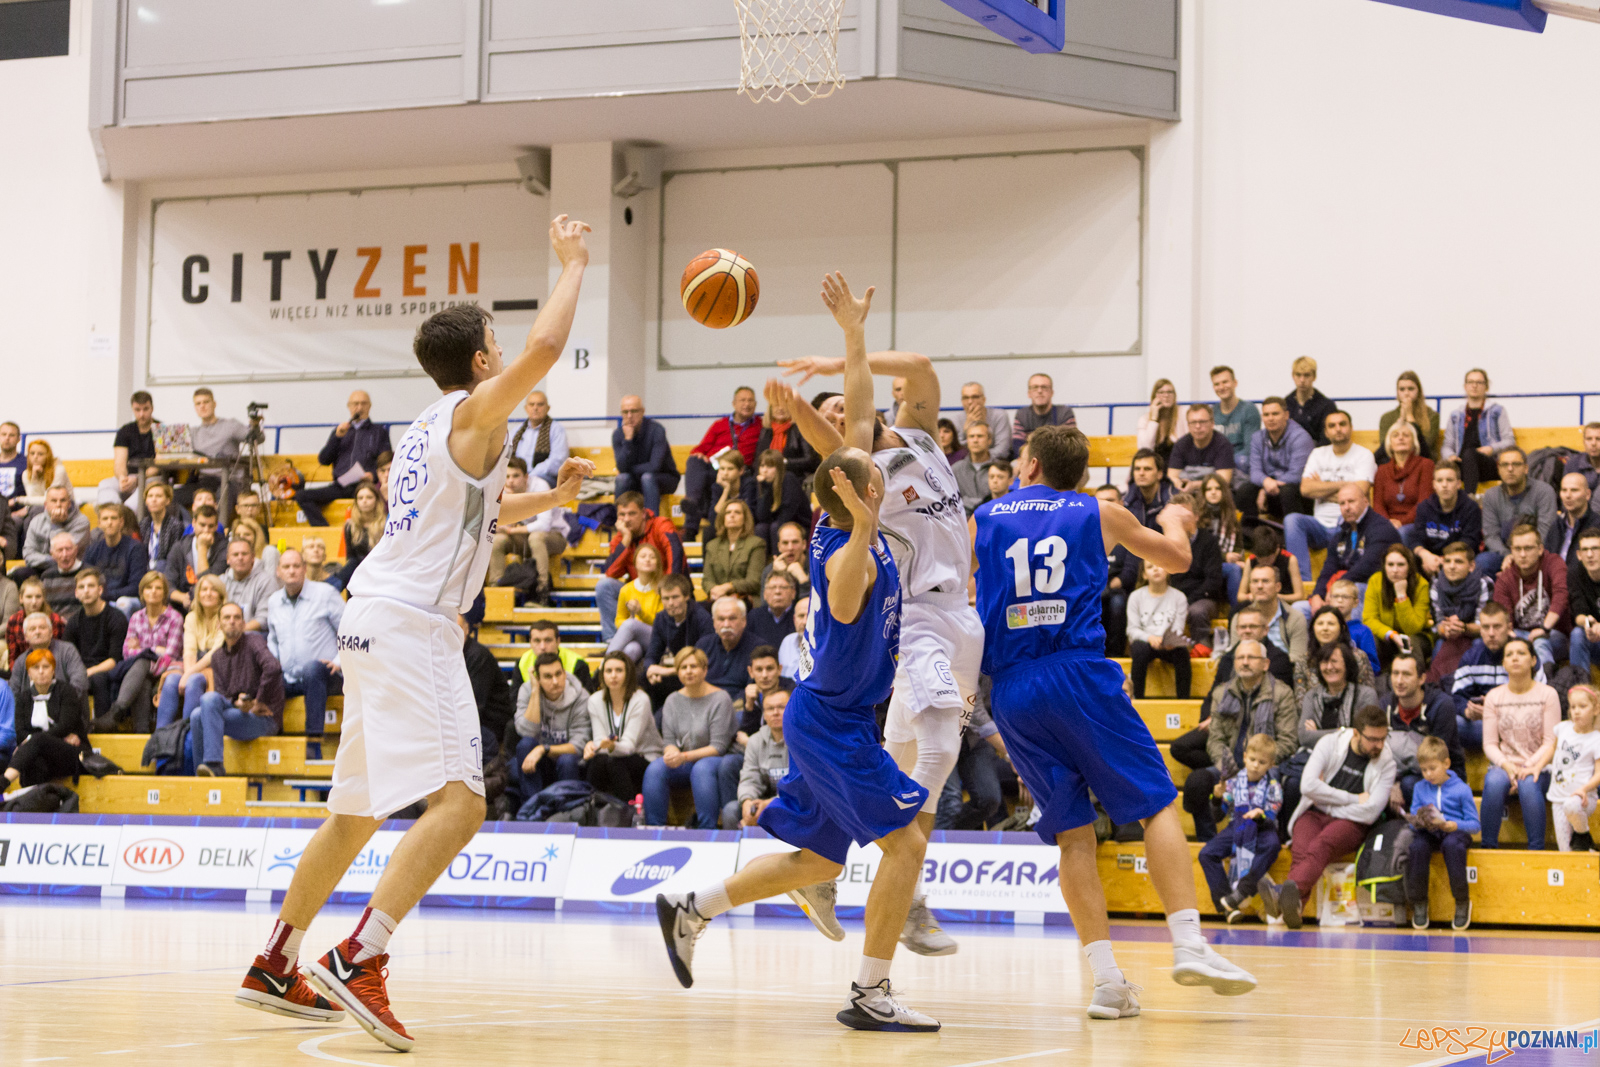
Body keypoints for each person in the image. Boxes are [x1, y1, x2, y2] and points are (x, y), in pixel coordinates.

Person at [238, 215, 594, 1050]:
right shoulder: (475, 410)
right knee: (462, 803)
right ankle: (360, 954)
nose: (506, 351)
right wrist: (575, 263)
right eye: (496, 342)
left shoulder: (432, 425)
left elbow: (479, 510)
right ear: (481, 362)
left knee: (355, 812)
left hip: (370, 618)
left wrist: (551, 499)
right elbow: (547, 348)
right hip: (410, 625)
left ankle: (277, 959)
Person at [654, 424, 941, 1035]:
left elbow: (852, 437)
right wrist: (863, 525)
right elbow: (843, 604)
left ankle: (691, 909)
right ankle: (871, 992)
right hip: (834, 723)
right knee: (908, 845)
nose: (885, 470)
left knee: (818, 861)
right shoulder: (847, 549)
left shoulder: (840, 523)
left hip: (829, 716)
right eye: (876, 472)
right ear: (865, 492)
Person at [971, 422, 1256, 1016]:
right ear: (1079, 475)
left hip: (1013, 688)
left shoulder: (986, 517)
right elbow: (1178, 558)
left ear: (1029, 465)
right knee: (1156, 803)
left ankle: (1106, 982)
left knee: (1072, 835)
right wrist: (1175, 518)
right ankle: (1189, 943)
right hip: (1076, 672)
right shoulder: (1096, 511)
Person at [773, 274, 987, 959]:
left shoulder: (920, 435)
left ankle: (823, 857)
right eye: (832, 413)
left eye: (848, 398)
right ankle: (909, 886)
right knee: (939, 748)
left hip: (962, 616)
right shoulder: (859, 471)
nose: (842, 410)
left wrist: (844, 350)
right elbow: (837, 435)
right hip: (916, 615)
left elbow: (919, 367)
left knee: (900, 754)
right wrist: (834, 374)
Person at [1260, 704, 1394, 930]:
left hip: (1352, 822)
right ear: (1356, 733)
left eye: (1382, 738)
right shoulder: (1330, 743)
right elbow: (1307, 786)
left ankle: (1281, 896)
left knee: (1321, 845)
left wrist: (1327, 802)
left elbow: (1371, 811)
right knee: (1301, 850)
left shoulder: (1387, 762)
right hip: (1315, 813)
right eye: (1372, 739)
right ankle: (1294, 909)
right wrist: (1352, 799)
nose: (1379, 745)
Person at [644, 646, 738, 828]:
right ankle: (654, 829)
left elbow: (718, 747)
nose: (688, 671)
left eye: (693, 666)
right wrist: (672, 753)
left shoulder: (721, 698)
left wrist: (683, 756)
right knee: (655, 769)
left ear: (705, 670)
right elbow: (669, 741)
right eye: (683, 667)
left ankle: (707, 830)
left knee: (701, 769)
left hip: (716, 759)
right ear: (677, 672)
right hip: (684, 760)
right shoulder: (672, 700)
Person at [1479, 637, 1559, 851]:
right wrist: (1507, 766)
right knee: (1493, 781)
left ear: (1533, 660)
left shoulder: (1548, 694)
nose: (1515, 658)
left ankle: (1536, 851)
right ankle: (1488, 849)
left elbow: (1551, 741)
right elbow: (1489, 744)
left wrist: (1527, 767)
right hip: (1505, 765)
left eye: (1521, 653)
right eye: (1509, 654)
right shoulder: (1494, 697)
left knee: (1528, 783)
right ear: (1503, 663)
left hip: (1540, 765)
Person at [1285, 410, 1377, 592]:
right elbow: (1305, 489)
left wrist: (1321, 488)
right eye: (1332, 426)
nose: (1338, 429)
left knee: (1350, 519)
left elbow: (1360, 492)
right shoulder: (1318, 454)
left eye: (1342, 424)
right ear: (1326, 432)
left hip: (1348, 523)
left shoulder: (1364, 455)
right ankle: (1303, 583)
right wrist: (1345, 485)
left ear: (1351, 428)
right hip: (1319, 526)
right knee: (1292, 520)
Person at [192, 603, 284, 777]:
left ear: (243, 623)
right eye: (227, 618)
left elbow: (273, 667)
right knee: (198, 713)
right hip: (239, 713)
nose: (232, 621)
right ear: (219, 625)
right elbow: (223, 697)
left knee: (204, 711)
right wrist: (238, 703)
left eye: (236, 617)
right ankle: (202, 776)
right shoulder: (217, 657)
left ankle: (214, 765)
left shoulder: (254, 641)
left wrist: (259, 701)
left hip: (264, 717)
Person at [1197, 733, 1282, 923]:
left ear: (1271, 764)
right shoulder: (1233, 783)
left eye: (1262, 762)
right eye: (1252, 759)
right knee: (1206, 854)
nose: (1255, 765)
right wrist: (1216, 798)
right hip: (1238, 825)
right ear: (1244, 757)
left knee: (1272, 845)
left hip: (1262, 828)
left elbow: (1271, 816)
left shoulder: (1273, 786)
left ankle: (1243, 890)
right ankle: (1227, 906)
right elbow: (1218, 816)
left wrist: (1260, 816)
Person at [265, 549, 346, 744]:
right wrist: (275, 664)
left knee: (312, 669)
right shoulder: (274, 601)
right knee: (267, 676)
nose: (291, 571)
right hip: (290, 677)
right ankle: (273, 740)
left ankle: (314, 741)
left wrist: (338, 662)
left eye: (296, 566)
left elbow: (349, 630)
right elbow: (272, 639)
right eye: (286, 567)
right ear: (278, 571)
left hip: (326, 675)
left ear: (304, 569)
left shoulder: (325, 594)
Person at [1404, 735, 1478, 931]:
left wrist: (1454, 825)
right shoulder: (1419, 788)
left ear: (1446, 764)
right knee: (1417, 847)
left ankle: (1461, 900)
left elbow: (1474, 825)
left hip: (1455, 832)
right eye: (1424, 770)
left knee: (1452, 845)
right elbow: (1414, 817)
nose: (1428, 774)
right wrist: (1419, 822)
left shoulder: (1461, 789)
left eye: (1432, 768)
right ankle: (1419, 902)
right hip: (1430, 832)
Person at [1298, 485, 1399, 623]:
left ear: (1365, 501)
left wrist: (1336, 588)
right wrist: (1317, 595)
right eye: (1342, 503)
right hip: (1342, 591)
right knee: (1299, 609)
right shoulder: (1341, 534)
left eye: (1351, 501)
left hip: (1373, 591)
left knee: (1356, 590)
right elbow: (1328, 568)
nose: (1346, 507)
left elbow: (1366, 567)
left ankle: (1351, 636)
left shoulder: (1381, 529)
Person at [595, 491, 686, 643]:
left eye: (631, 513)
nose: (626, 519)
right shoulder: (621, 537)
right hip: (639, 592)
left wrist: (667, 588)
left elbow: (676, 555)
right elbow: (611, 573)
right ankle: (613, 641)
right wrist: (626, 539)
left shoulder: (661, 525)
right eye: (622, 515)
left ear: (643, 513)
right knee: (605, 586)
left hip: (662, 592)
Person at [1445, 601, 1533, 752]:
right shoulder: (1471, 658)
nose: (1491, 633)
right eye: (1486, 627)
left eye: (1497, 627)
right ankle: (1503, 742)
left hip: (1518, 722)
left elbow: (1537, 700)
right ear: (1480, 630)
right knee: (1454, 722)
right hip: (1483, 724)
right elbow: (1458, 696)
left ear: (1509, 628)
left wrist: (1496, 711)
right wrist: (1468, 711)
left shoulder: (1524, 654)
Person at [507, 652, 590, 810]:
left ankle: (565, 812)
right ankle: (531, 809)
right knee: (525, 745)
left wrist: (543, 749)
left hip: (567, 760)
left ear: (565, 674)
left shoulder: (580, 696)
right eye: (547, 676)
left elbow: (578, 746)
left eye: (558, 674)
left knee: (567, 760)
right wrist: (535, 692)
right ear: (538, 679)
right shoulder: (527, 690)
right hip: (538, 762)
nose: (555, 681)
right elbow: (526, 732)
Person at [681, 387, 763, 543]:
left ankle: (693, 513)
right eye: (742, 400)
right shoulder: (720, 425)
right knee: (694, 461)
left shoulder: (761, 426)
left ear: (755, 404)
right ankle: (691, 511)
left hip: (741, 471)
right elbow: (700, 449)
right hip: (716, 468)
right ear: (734, 403)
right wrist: (700, 454)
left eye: (750, 400)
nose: (746, 404)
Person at [299, 391, 393, 526]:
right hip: (340, 486)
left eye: (363, 404)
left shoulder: (378, 431)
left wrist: (373, 475)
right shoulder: (340, 431)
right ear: (349, 407)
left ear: (369, 406)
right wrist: (336, 438)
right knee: (302, 496)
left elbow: (386, 460)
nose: (359, 408)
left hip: (365, 485)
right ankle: (325, 530)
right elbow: (324, 460)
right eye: (355, 404)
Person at [1384, 651, 1464, 808]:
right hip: (1402, 772)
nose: (1399, 681)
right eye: (1395, 673)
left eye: (1406, 674)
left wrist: (1397, 782)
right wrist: (1392, 783)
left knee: (1409, 784)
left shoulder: (1441, 705)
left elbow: (1436, 757)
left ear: (1421, 678)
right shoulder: (1385, 704)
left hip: (1442, 774)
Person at [108, 571, 184, 733]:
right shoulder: (136, 617)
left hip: (167, 670)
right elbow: (127, 652)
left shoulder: (175, 617)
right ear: (142, 592)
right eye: (149, 587)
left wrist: (142, 650)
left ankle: (117, 711)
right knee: (142, 678)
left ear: (164, 593)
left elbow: (171, 655)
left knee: (142, 662)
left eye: (158, 588)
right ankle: (141, 732)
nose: (153, 591)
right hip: (142, 673)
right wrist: (156, 650)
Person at [581, 652, 661, 803]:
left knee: (614, 762)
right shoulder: (595, 700)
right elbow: (599, 740)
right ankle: (591, 808)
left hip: (644, 756)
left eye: (619, 670)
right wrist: (593, 746)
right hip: (613, 757)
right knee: (598, 761)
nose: (613, 675)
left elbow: (629, 747)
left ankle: (627, 811)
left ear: (628, 674)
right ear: (602, 675)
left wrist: (609, 746)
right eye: (608, 671)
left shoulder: (640, 700)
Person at [3, 649, 88, 788]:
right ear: (29, 673)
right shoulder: (24, 697)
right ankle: (37, 799)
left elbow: (65, 726)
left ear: (53, 670)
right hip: (39, 756)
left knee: (37, 741)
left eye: (46, 667)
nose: (41, 671)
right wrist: (34, 743)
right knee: (34, 762)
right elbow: (20, 732)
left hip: (71, 752)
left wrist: (34, 740)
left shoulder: (66, 691)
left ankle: (4, 781)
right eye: (36, 668)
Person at [1492, 522, 1568, 671]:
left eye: (1528, 548)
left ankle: (1547, 680)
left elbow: (1561, 595)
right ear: (1511, 551)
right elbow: (1504, 617)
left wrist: (1544, 628)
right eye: (1517, 549)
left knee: (1540, 641)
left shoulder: (1553, 563)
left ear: (1540, 549)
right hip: (1520, 635)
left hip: (1554, 633)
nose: (1522, 554)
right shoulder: (1505, 578)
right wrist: (1516, 640)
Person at [157, 572, 226, 730]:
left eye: (213, 590)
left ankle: (187, 736)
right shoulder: (191, 617)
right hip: (194, 665)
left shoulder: (225, 617)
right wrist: (188, 673)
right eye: (204, 589)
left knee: (194, 681)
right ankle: (159, 738)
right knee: (171, 680)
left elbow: (215, 654)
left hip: (218, 666)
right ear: (198, 594)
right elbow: (189, 650)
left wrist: (189, 674)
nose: (208, 593)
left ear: (221, 596)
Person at [1479, 448, 1557, 575]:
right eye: (1505, 465)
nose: (1510, 469)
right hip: (1504, 553)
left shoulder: (1544, 492)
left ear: (1526, 468)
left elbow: (1546, 531)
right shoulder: (1491, 496)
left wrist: (1523, 555)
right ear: (1499, 469)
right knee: (1483, 562)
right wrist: (1508, 555)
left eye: (1515, 464)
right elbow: (1491, 535)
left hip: (1536, 552)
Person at [641, 574, 712, 708]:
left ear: (686, 597)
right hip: (678, 672)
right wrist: (651, 669)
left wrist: (667, 671)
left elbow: (703, 660)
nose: (670, 603)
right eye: (666, 598)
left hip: (699, 674)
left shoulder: (701, 618)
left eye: (675, 597)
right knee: (645, 679)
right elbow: (652, 654)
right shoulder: (661, 618)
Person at [65, 568, 128, 719]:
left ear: (100, 590)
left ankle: (103, 725)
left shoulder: (116, 618)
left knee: (98, 679)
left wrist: (88, 672)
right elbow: (67, 657)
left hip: (110, 671)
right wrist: (80, 673)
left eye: (91, 586)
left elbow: (114, 660)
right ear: (76, 593)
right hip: (82, 671)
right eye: (81, 587)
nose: (86, 591)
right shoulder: (73, 621)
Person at [1241, 397, 1313, 526]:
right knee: (1245, 490)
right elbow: (1255, 472)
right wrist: (1266, 482)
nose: (1270, 418)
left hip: (1295, 493)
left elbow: (1296, 475)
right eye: (1266, 415)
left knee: (1287, 491)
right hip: (1271, 487)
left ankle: (1294, 534)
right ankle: (1251, 535)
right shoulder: (1257, 438)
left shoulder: (1301, 437)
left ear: (1286, 415)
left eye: (1275, 414)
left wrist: (1266, 490)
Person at [1440, 368, 1514, 494]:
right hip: (1462, 464)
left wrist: (1491, 448)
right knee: (1441, 467)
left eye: (1479, 382)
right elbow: (1447, 445)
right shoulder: (1456, 415)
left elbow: (1509, 441)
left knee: (1469, 454)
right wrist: (1450, 456)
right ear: (1465, 386)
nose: (1474, 386)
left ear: (1486, 387)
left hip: (1488, 464)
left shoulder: (1497, 411)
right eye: (1470, 382)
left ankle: (1469, 499)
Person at [724, 688, 789, 829]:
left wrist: (770, 804)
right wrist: (747, 802)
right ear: (764, 714)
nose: (775, 713)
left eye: (781, 707)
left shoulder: (802, 741)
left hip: (795, 802)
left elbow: (802, 789)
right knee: (731, 810)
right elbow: (749, 777)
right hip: (763, 799)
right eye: (770, 709)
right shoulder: (755, 741)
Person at [1165, 490, 1225, 643]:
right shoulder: (1164, 542)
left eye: (1185, 514)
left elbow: (1213, 581)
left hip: (1201, 597)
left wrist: (1187, 601)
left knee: (1197, 612)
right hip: (1171, 597)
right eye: (1176, 515)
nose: (1180, 519)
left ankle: (1201, 650)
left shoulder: (1209, 541)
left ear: (1196, 516)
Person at [1405, 461, 1482, 579]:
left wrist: (1445, 560)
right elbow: (1416, 538)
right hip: (1430, 559)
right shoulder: (1424, 507)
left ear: (1458, 484)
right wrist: (1426, 556)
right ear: (1434, 485)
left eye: (1449, 480)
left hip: (1458, 559)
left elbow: (1470, 542)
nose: (1444, 485)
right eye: (1440, 481)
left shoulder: (1471, 508)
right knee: (1409, 552)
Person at [1125, 561, 1190, 699]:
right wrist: (1150, 638)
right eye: (1150, 567)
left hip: (1168, 643)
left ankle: (1183, 700)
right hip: (1145, 642)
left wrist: (1168, 640)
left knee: (1182, 653)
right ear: (1144, 575)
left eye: (1159, 565)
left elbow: (1178, 629)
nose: (1155, 569)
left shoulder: (1179, 597)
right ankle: (1137, 699)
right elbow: (1132, 630)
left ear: (1167, 570)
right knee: (1139, 649)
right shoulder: (1135, 597)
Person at [1429, 541, 1493, 682]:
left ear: (1471, 566)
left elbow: (1485, 624)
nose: (1452, 566)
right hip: (1449, 635)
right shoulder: (1436, 584)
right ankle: (1441, 686)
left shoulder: (1483, 584)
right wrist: (1446, 629)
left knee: (1479, 645)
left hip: (1476, 635)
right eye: (1447, 561)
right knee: (1439, 646)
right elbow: (1438, 622)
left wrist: (1463, 628)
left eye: (1458, 562)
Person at [1547, 685, 1600, 852]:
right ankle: (1589, 851)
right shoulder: (1563, 728)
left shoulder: (1596, 739)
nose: (1576, 711)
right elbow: (1551, 751)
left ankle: (1583, 834)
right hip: (1558, 798)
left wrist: (1583, 789)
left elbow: (1599, 774)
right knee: (1566, 851)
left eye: (1582, 706)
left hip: (1583, 799)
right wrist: (1536, 767)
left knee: (1571, 805)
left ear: (1595, 709)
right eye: (1573, 707)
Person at [180, 387, 249, 511]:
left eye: (206, 402)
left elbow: (256, 438)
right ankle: (189, 523)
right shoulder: (193, 433)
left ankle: (218, 524)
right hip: (205, 481)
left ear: (214, 404)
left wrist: (255, 426)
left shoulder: (230, 426)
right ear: (195, 407)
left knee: (223, 494)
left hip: (230, 480)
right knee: (172, 497)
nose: (202, 406)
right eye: (198, 403)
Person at [1364, 544, 1432, 668]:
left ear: (1409, 566)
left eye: (1401, 565)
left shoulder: (1421, 584)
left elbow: (1413, 629)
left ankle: (1413, 678)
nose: (1395, 570)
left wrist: (1401, 596)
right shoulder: (1375, 581)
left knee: (1410, 643)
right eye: (1390, 565)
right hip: (1388, 636)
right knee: (1370, 638)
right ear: (1384, 566)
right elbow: (1369, 619)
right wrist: (1391, 634)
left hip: (1417, 636)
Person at [611, 395, 680, 517]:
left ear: (642, 411)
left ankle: (651, 523)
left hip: (664, 477)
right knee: (622, 479)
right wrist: (628, 440)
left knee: (647, 477)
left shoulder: (657, 430)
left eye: (634, 411)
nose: (629, 416)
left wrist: (629, 470)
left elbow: (655, 466)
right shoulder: (618, 434)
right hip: (637, 479)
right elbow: (621, 467)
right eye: (625, 412)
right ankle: (620, 522)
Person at [1229, 563, 1308, 663]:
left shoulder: (1295, 618)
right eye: (1255, 581)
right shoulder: (1239, 618)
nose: (1259, 586)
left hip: (1284, 670)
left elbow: (1298, 660)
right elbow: (1235, 657)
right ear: (1250, 587)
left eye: (1265, 581)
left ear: (1278, 587)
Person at [1097, 485, 1139, 656]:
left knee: (1117, 603)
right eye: (1100, 501)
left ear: (1121, 503)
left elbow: (1130, 571)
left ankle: (1115, 654)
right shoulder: (1086, 531)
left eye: (1110, 500)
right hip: (1093, 587)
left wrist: (1109, 587)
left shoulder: (1130, 530)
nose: (1105, 505)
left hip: (1119, 589)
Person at [605, 542, 664, 663]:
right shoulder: (626, 589)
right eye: (643, 556)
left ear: (657, 563)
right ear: (635, 562)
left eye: (652, 557)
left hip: (657, 638)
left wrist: (640, 613)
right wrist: (630, 623)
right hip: (635, 637)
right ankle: (618, 672)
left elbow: (662, 623)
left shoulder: (662, 588)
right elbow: (619, 619)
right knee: (632, 649)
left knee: (631, 624)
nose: (647, 560)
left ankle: (605, 665)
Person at [84, 501, 146, 615]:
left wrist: (106, 595)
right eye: (105, 519)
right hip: (100, 598)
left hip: (128, 600)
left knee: (123, 603)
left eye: (113, 518)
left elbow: (136, 586)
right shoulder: (92, 550)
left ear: (121, 522)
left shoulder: (135, 548)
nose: (109, 522)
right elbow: (86, 579)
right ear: (99, 523)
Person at [696, 596, 762, 702]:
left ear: (744, 621)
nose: (726, 624)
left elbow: (754, 688)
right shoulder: (703, 645)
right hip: (704, 702)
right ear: (714, 622)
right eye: (721, 619)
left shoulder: (758, 649)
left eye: (732, 618)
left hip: (739, 704)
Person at [703, 497, 767, 602]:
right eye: (728, 512)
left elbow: (754, 581)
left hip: (745, 598)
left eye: (737, 512)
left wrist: (729, 587)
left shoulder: (756, 543)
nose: (732, 515)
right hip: (718, 598)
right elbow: (706, 580)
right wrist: (715, 590)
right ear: (723, 518)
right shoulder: (712, 545)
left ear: (745, 519)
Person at [1372, 422, 1432, 532]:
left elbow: (1424, 502)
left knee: (1402, 532)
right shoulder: (1382, 470)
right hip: (1387, 524)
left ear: (1414, 442)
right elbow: (1378, 504)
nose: (1401, 438)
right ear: (1389, 443)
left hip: (1416, 523)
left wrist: (1402, 522)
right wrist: (1387, 523)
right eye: (1395, 435)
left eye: (1406, 435)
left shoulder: (1426, 465)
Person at [164, 503, 224, 611]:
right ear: (194, 523)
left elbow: (209, 583)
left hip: (212, 603)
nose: (206, 530)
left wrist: (202, 548)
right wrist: (182, 598)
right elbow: (168, 583)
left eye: (211, 526)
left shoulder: (223, 548)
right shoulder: (179, 547)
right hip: (183, 604)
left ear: (216, 526)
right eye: (202, 525)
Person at [757, 385, 820, 483]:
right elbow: (758, 459)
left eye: (785, 405)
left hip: (795, 478)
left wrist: (784, 462)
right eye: (776, 405)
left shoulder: (800, 428)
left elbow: (811, 460)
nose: (780, 408)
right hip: (769, 479)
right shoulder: (766, 430)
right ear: (770, 409)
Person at [20, 485, 90, 573]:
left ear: (69, 504)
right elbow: (28, 555)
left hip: (70, 570)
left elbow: (65, 557)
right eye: (54, 501)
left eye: (63, 500)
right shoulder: (36, 521)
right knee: (20, 574)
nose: (58, 505)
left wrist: (56, 524)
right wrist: (48, 559)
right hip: (41, 567)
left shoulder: (81, 522)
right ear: (45, 505)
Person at [1198, 473, 1245, 602]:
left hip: (1224, 564)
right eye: (1209, 489)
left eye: (1217, 488)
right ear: (1203, 493)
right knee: (1234, 569)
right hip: (1203, 565)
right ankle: (1237, 610)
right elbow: (1200, 550)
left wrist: (1238, 558)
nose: (1213, 492)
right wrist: (1225, 557)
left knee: (1246, 568)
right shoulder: (1197, 517)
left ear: (1224, 491)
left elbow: (1239, 547)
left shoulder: (1232, 517)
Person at [1375, 371, 1441, 463]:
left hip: (1422, 461)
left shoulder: (1432, 415)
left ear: (1418, 391)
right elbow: (1386, 447)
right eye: (1402, 389)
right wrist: (1401, 420)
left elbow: (1425, 447)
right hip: (1394, 462)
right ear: (1397, 392)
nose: (1406, 393)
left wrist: (1409, 416)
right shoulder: (1387, 417)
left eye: (1410, 389)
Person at [750, 449, 808, 551]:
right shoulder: (763, 485)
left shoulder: (789, 479)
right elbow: (762, 516)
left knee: (775, 527)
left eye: (770, 466)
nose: (764, 470)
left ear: (779, 468)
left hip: (800, 525)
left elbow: (787, 515)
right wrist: (766, 488)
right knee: (760, 528)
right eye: (762, 466)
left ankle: (778, 558)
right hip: (777, 524)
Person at [513, 619, 593, 693]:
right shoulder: (522, 663)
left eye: (548, 640)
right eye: (537, 641)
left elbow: (586, 698)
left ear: (558, 641)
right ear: (530, 643)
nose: (542, 647)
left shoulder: (577, 664)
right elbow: (515, 701)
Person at [333, 482, 388, 591]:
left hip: (380, 568)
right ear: (356, 502)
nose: (364, 501)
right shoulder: (350, 525)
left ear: (377, 500)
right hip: (358, 569)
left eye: (369, 497)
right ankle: (333, 587)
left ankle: (333, 586)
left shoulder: (386, 523)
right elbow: (350, 557)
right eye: (360, 498)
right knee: (352, 565)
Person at [1209, 366, 1260, 482]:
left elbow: (1250, 448)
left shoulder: (1248, 409)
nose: (1221, 387)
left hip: (1240, 465)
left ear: (1235, 383)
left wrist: (1224, 463)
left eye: (1225, 382)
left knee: (1242, 460)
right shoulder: (1211, 412)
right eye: (1217, 384)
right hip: (1216, 464)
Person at [508, 389, 568, 486]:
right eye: (531, 404)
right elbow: (506, 455)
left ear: (548, 408)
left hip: (543, 476)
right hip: (516, 476)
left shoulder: (556, 429)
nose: (535, 408)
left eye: (540, 404)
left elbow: (558, 461)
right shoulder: (516, 431)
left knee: (538, 485)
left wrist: (530, 476)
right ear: (526, 408)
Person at [1168, 404, 1235, 491]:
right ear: (1188, 425)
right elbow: (1172, 475)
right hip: (1186, 491)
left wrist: (1194, 485)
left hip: (1213, 491)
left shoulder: (1223, 444)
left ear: (1212, 423)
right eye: (1193, 422)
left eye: (1202, 422)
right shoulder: (1181, 444)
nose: (1198, 426)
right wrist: (1179, 484)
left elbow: (1224, 480)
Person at [225, 536, 279, 632]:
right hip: (225, 635)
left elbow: (263, 619)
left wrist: (235, 633)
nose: (240, 558)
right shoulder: (221, 582)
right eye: (235, 554)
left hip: (255, 634)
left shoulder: (266, 581)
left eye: (244, 554)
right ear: (228, 559)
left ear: (253, 557)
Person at [1012, 373, 1076, 452]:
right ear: (1029, 393)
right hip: (1030, 458)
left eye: (1044, 387)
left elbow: (1070, 447)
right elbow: (1018, 448)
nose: (1039, 391)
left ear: (1052, 392)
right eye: (1035, 387)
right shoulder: (1021, 415)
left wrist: (1032, 441)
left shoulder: (1064, 413)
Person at [1548, 471, 1600, 568]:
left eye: (1574, 490)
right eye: (1564, 490)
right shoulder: (1556, 526)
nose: (1568, 495)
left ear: (1587, 494)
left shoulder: (1597, 525)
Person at [7, 577, 62, 667]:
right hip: (23, 668)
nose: (34, 602)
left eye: (38, 597)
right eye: (29, 597)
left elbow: (59, 652)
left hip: (50, 667)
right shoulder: (14, 620)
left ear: (43, 598)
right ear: (21, 598)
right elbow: (13, 656)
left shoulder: (54, 620)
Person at [1568, 529, 1600, 681]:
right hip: (1595, 639)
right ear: (1579, 555)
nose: (1590, 554)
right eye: (1585, 550)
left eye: (1595, 548)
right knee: (1577, 634)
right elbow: (1579, 614)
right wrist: (1589, 623)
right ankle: (1581, 689)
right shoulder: (1575, 574)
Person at [1284, 356, 1337, 447]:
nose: (1302, 380)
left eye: (1307, 375)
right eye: (1298, 375)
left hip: (1317, 452)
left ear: (1314, 377)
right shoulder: (1285, 404)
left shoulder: (1326, 406)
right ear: (1293, 376)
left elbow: (1327, 439)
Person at [139, 481, 186, 578]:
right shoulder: (143, 524)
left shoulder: (176, 526)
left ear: (167, 500)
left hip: (166, 571)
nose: (154, 500)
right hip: (145, 570)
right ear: (146, 501)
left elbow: (174, 558)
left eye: (158, 496)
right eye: (150, 496)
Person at [956, 381, 1013, 460]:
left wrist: (980, 458)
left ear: (984, 399)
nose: (970, 402)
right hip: (966, 464)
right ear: (962, 401)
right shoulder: (955, 420)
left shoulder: (999, 416)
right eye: (966, 398)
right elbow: (957, 453)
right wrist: (965, 432)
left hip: (996, 463)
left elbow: (1002, 451)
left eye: (975, 397)